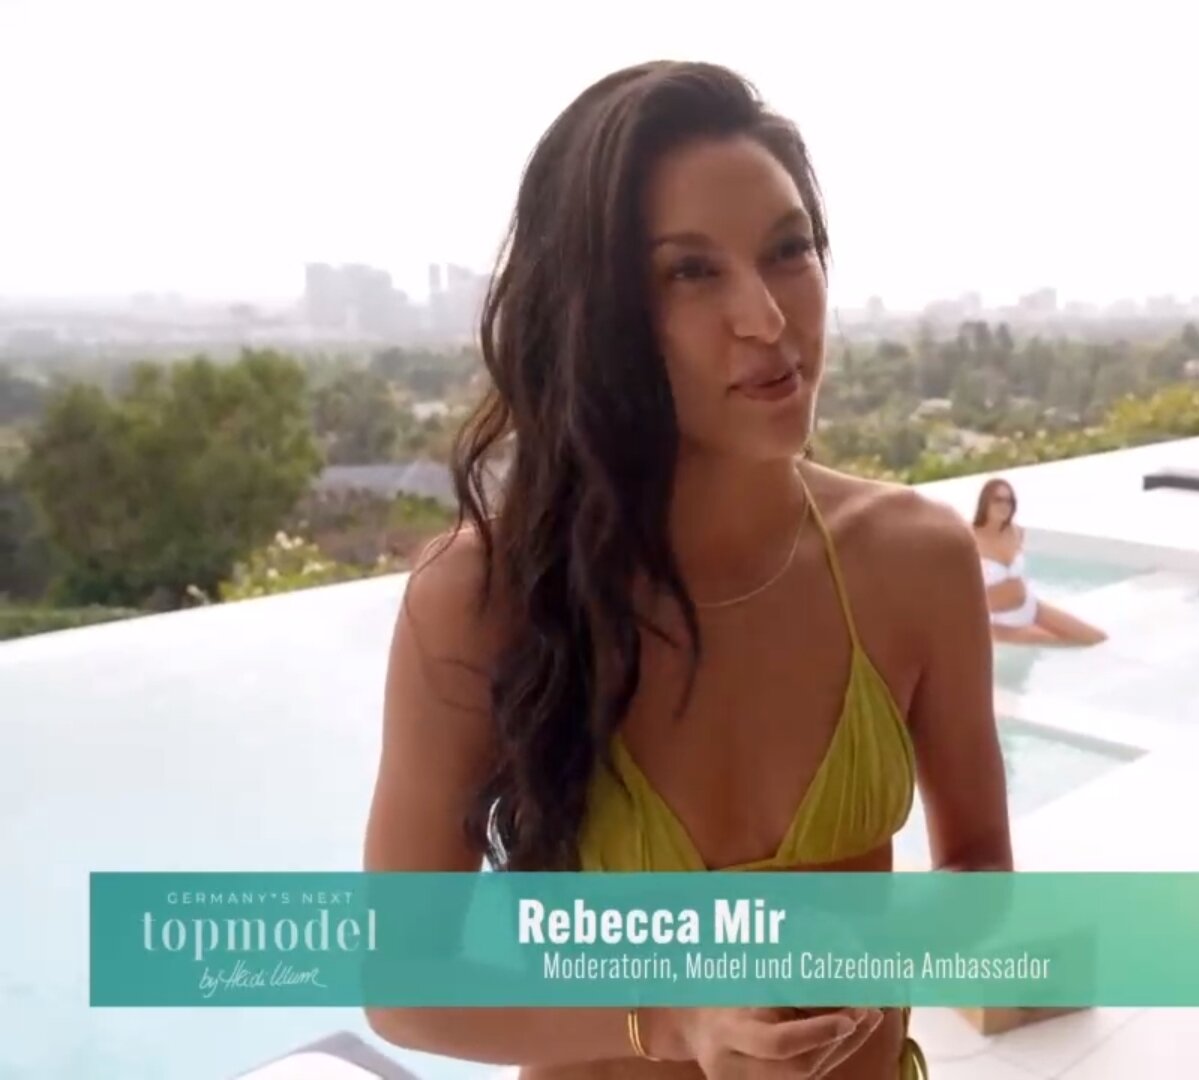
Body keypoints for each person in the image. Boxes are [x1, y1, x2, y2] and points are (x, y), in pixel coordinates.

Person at [362, 61, 1012, 1078]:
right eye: (691, 272)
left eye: (788, 251)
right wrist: (671, 1021)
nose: (767, 317)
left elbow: (978, 870)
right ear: (597, 315)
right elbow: (405, 986)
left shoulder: (916, 561)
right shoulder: (480, 603)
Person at [971, 479, 1106, 647]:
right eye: (998, 500)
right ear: (985, 502)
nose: (1004, 505)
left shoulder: (1016, 531)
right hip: (997, 623)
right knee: (1062, 644)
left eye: (1009, 501)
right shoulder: (968, 537)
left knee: (1096, 638)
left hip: (1031, 607)